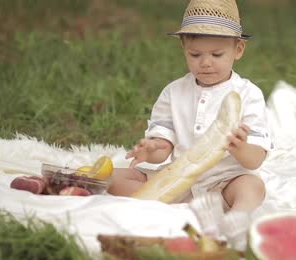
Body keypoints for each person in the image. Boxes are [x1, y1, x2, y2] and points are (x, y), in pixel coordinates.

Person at [108, 0, 272, 215]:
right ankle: (154, 202)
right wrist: (151, 150)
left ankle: (237, 217)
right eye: (195, 55)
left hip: (224, 184)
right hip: (177, 182)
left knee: (252, 186)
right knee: (112, 177)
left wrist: (240, 147)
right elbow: (164, 149)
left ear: (238, 49)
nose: (205, 63)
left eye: (216, 55)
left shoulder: (248, 94)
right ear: (184, 48)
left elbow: (255, 159)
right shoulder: (173, 92)